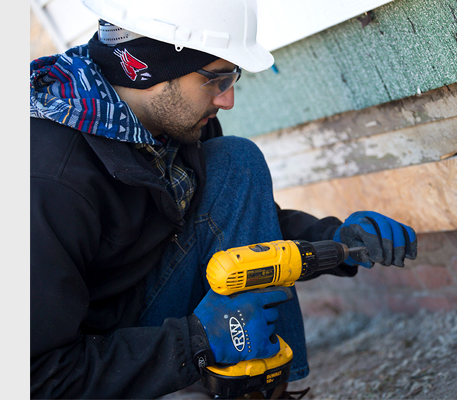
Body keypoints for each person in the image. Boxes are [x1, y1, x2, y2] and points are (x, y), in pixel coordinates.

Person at [30, 0, 418, 398]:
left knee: (235, 161)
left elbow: (232, 222)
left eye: (232, 78)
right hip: (95, 366)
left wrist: (339, 240)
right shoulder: (49, 181)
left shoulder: (169, 122)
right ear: (148, 68)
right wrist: (195, 340)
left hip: (139, 308)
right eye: (215, 79)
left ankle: (262, 390)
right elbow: (39, 377)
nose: (226, 100)